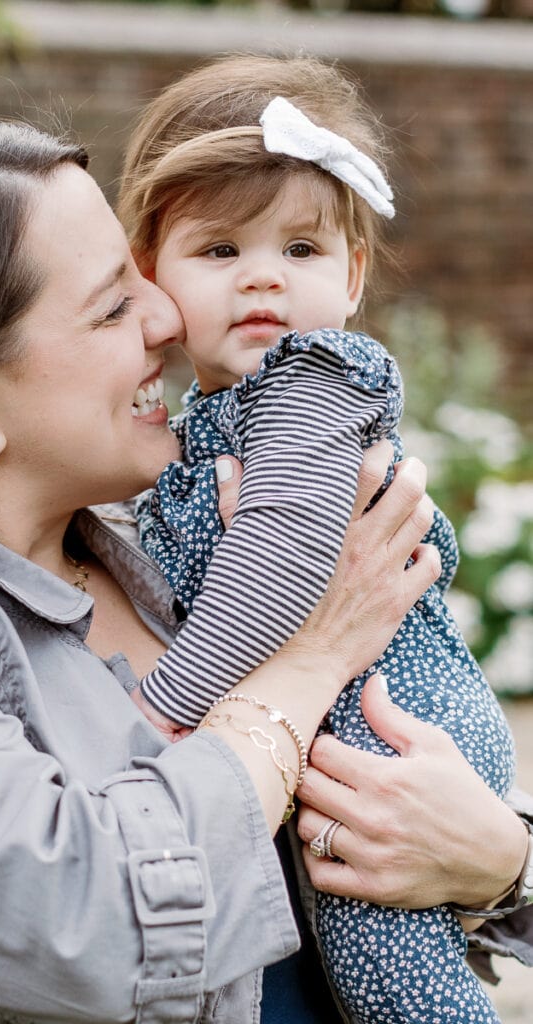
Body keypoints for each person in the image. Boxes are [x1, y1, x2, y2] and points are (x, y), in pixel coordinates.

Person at [0, 115, 529, 1024]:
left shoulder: (170, 542)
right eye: (111, 304)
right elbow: (91, 920)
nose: (168, 315)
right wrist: (312, 656)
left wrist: (500, 864)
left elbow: (408, 776)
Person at [116, 55, 526, 1022]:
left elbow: (283, 558)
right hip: (333, 722)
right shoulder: (205, 420)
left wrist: (167, 706)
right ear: (149, 277)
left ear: (350, 277)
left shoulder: (307, 384)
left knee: (385, 965)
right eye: (219, 251)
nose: (263, 275)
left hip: (384, 732)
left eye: (301, 251)